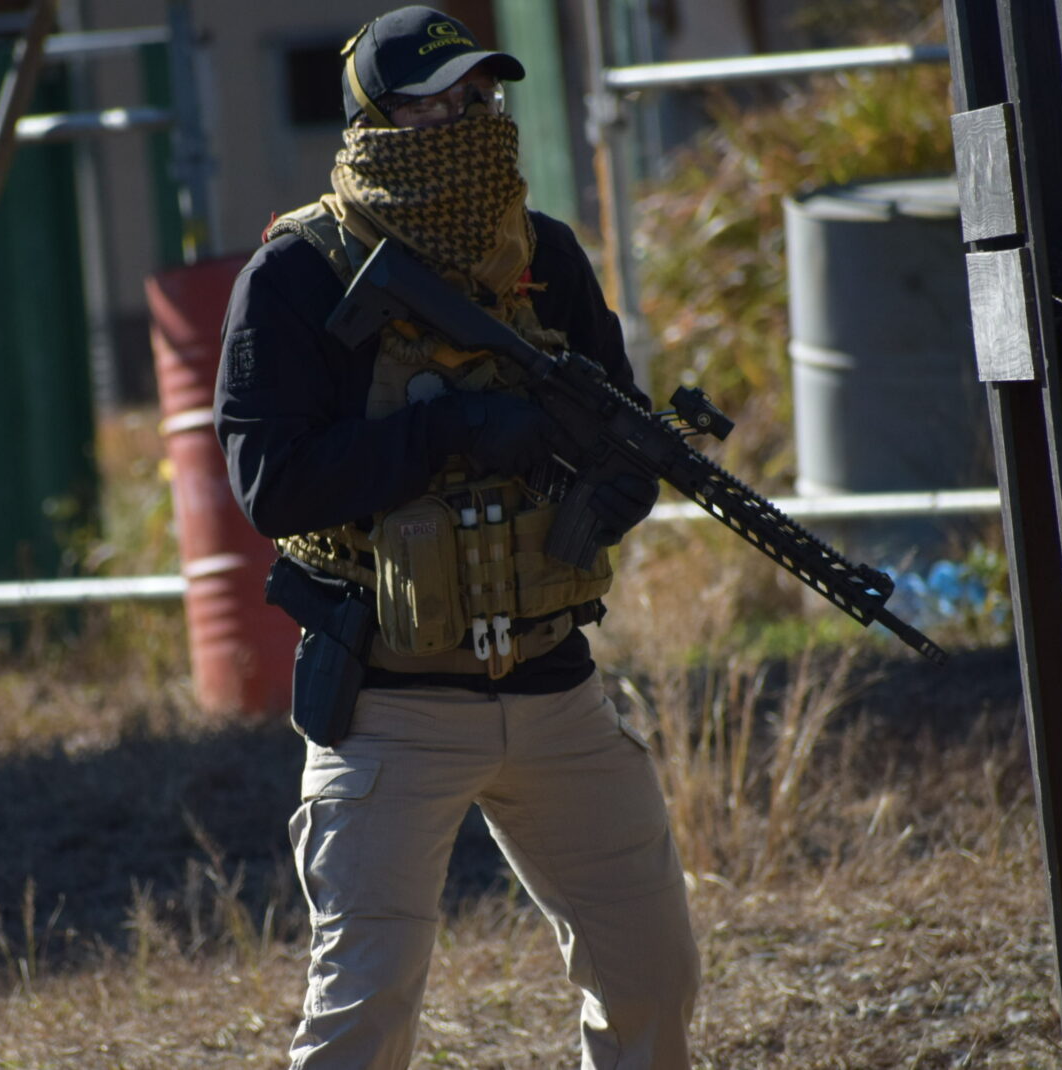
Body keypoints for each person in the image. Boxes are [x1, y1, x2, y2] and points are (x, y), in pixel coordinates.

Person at [214, 7, 699, 1068]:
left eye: (479, 96)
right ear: (372, 119)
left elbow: (614, 420)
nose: (465, 120)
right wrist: (454, 431)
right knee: (363, 1012)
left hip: (554, 684)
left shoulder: (545, 254)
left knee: (653, 976)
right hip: (389, 703)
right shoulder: (296, 275)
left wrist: (617, 481)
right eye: (433, 104)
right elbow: (272, 485)